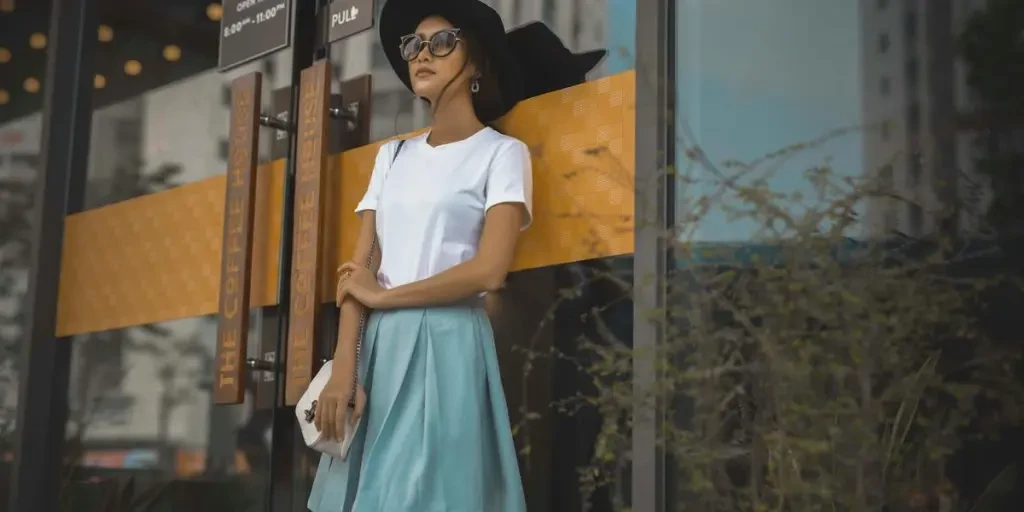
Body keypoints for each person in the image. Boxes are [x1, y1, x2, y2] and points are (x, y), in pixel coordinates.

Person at [306, 0, 530, 510]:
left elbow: (489, 270)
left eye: (442, 42)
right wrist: (344, 371)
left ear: (475, 62)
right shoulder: (393, 155)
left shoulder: (502, 153)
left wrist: (384, 298)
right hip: (379, 348)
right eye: (412, 45)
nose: (421, 55)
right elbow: (359, 270)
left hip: (451, 343)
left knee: (434, 494)